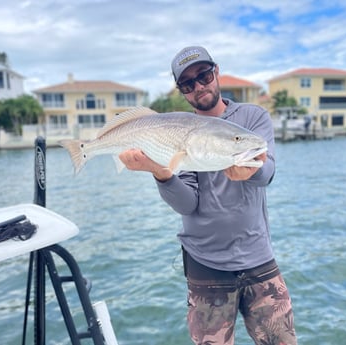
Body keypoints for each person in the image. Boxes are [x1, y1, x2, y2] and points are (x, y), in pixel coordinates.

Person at [119, 46, 297, 345]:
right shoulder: (179, 131)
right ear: (182, 91)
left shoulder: (252, 117)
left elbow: (266, 173)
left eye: (203, 76)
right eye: (188, 84)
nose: (199, 86)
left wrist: (252, 170)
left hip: (257, 257)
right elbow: (187, 204)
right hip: (205, 264)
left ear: (216, 72)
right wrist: (159, 172)